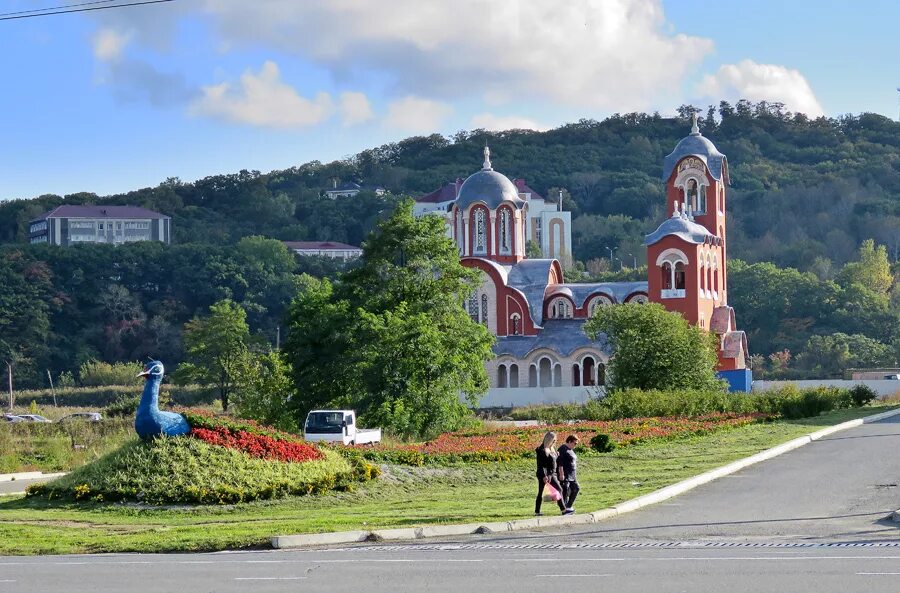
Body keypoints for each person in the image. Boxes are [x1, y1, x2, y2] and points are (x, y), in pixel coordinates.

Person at [534, 431, 568, 515]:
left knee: (557, 489)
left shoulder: (551, 448)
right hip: (545, 474)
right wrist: (544, 475)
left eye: (555, 441)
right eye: (553, 441)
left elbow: (553, 460)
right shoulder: (542, 450)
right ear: (549, 440)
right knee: (543, 491)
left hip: (552, 473)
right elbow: (541, 465)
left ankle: (563, 510)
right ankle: (563, 510)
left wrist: (556, 454)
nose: (554, 442)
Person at [557, 435, 580, 512]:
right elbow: (560, 462)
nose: (575, 445)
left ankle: (568, 506)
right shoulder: (562, 449)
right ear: (569, 441)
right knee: (565, 491)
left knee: (576, 488)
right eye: (575, 443)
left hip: (572, 475)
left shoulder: (570, 449)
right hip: (565, 474)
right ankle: (564, 508)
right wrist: (561, 474)